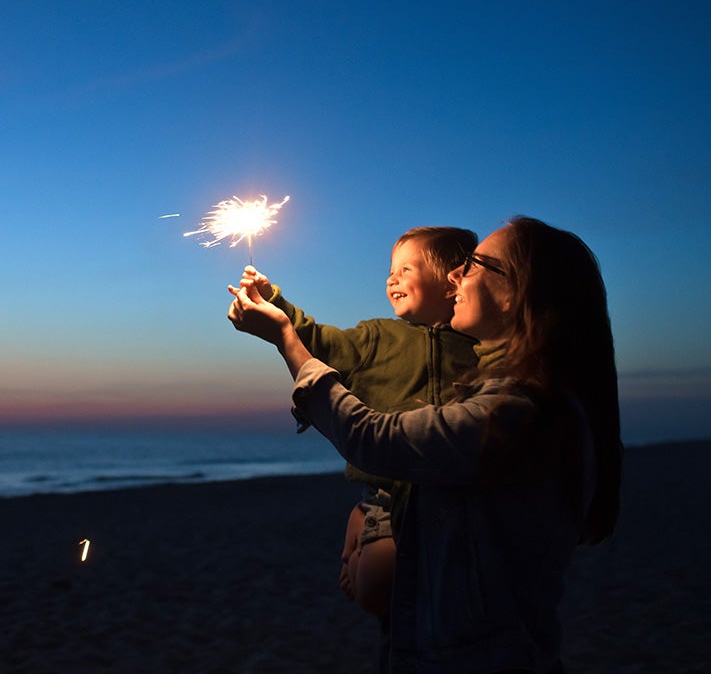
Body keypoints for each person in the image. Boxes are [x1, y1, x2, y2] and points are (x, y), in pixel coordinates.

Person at [228, 216, 622, 673]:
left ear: (516, 292)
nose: (456, 274)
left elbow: (371, 440)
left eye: (473, 265)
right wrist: (369, 506)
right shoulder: (506, 396)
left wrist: (284, 339)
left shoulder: (520, 412)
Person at [237, 226, 482, 626]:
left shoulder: (478, 346)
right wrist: (275, 302)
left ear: (453, 281)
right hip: (386, 490)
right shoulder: (375, 337)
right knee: (385, 600)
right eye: (390, 270)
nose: (392, 278)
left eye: (407, 269)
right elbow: (317, 341)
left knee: (416, 601)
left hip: (447, 495)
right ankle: (366, 525)